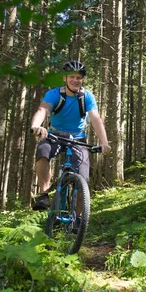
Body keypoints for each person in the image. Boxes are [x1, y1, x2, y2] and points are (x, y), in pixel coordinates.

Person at [31, 60, 111, 211]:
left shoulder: (86, 96)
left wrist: (104, 142)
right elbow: (43, 110)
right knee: (43, 151)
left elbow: (95, 118)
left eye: (79, 77)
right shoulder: (54, 94)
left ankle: (79, 219)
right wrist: (36, 126)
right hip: (55, 135)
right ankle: (44, 195)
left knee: (83, 179)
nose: (75, 80)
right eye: (71, 77)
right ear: (65, 78)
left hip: (77, 138)